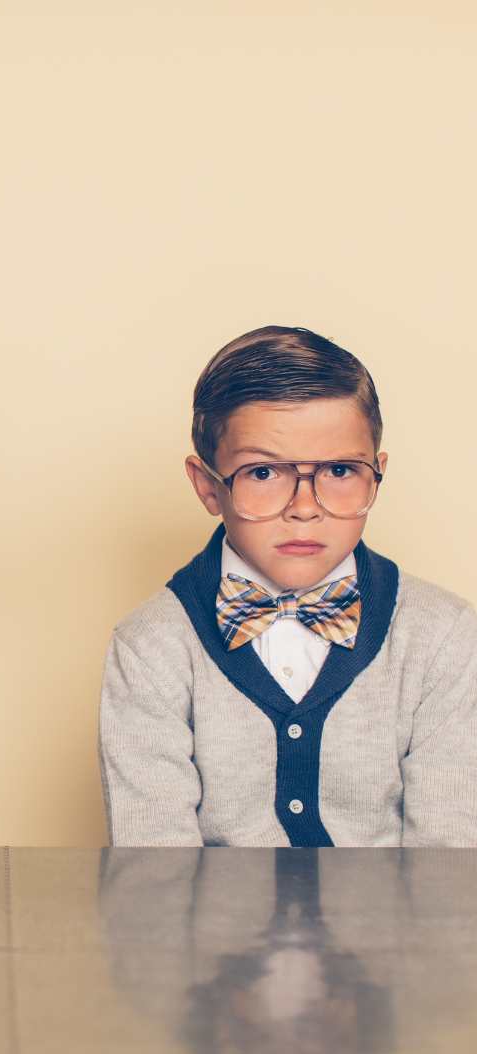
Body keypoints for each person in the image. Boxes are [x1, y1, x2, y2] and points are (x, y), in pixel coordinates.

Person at [99, 325, 477, 846]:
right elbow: (156, 870)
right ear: (208, 486)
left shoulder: (445, 636)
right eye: (262, 473)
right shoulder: (150, 647)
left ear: (376, 475)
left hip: (401, 905)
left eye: (340, 470)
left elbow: (449, 861)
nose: (304, 507)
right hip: (205, 907)